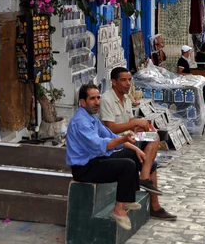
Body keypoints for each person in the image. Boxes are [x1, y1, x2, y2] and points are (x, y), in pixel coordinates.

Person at [100, 67, 177, 221]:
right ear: (113, 82)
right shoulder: (106, 99)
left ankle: (148, 187)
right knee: (151, 160)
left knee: (154, 137)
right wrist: (133, 123)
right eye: (123, 80)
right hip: (117, 143)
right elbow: (110, 128)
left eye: (129, 79)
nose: (128, 83)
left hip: (130, 137)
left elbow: (127, 122)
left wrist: (138, 126)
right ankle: (150, 193)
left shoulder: (127, 98)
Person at [66, 83, 145, 231]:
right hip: (84, 169)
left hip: (96, 160)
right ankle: (118, 210)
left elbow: (109, 135)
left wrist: (135, 148)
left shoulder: (91, 117)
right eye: (92, 99)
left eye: (98, 98)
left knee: (132, 154)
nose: (97, 102)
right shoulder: (81, 122)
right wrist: (123, 139)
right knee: (127, 166)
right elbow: (100, 144)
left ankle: (127, 199)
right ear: (83, 102)